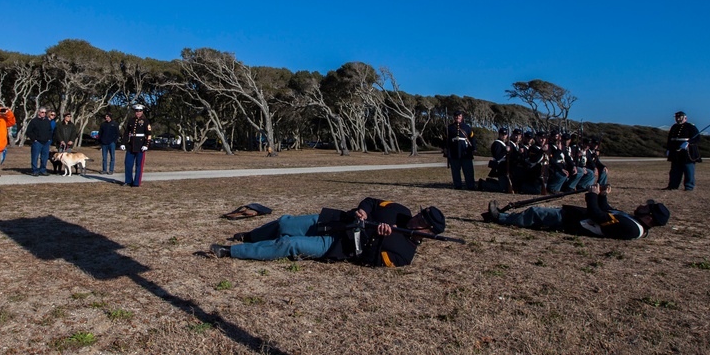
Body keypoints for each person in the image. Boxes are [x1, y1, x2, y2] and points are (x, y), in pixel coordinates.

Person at [210, 198, 446, 268]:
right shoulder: (400, 209)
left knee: (289, 245)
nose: (415, 218)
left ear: (428, 232)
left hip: (336, 246)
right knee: (285, 223)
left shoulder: (404, 255)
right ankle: (251, 236)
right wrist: (362, 211)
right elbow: (371, 202)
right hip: (335, 220)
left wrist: (380, 238)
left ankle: (232, 251)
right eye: (420, 213)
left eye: (421, 220)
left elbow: (368, 261)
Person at [482, 184, 670, 240]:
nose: (642, 205)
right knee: (537, 213)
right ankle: (503, 216)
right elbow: (607, 210)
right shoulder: (634, 221)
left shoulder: (631, 227)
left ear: (650, 217)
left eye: (647, 207)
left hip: (573, 222)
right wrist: (602, 195)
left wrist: (592, 196)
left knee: (535, 212)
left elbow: (598, 215)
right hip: (575, 217)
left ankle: (501, 218)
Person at [666, 111, 700, 191]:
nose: (677, 118)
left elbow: (697, 138)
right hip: (675, 150)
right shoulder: (674, 127)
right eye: (676, 117)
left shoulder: (690, 126)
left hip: (687, 151)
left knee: (688, 169)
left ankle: (689, 186)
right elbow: (670, 139)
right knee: (674, 170)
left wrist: (688, 143)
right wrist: (668, 149)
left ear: (685, 117)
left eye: (679, 117)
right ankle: (673, 186)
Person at [120, 104, 152, 186]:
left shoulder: (145, 121)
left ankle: (136, 182)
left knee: (139, 165)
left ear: (142, 112)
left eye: (140, 111)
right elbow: (126, 133)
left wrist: (146, 145)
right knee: (128, 163)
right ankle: (128, 181)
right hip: (131, 145)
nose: (138, 112)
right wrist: (123, 143)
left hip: (140, 145)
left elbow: (148, 134)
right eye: (137, 111)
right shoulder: (131, 120)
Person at [443, 110, 475, 190]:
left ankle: (471, 186)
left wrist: (474, 148)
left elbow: (472, 138)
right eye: (456, 116)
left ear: (462, 117)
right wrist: (445, 149)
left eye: (459, 116)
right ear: (454, 117)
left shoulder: (467, 127)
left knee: (468, 170)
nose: (457, 117)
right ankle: (457, 185)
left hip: (465, 152)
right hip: (454, 152)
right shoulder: (449, 128)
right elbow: (445, 139)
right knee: (455, 170)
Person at [479, 128, 510, 192]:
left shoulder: (504, 144)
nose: (504, 136)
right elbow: (497, 157)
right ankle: (484, 184)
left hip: (504, 166)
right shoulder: (497, 144)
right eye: (502, 134)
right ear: (499, 134)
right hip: (499, 166)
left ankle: (489, 182)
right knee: (502, 188)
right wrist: (505, 151)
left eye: (505, 134)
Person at [25, 106, 53, 176]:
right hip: (37, 142)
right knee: (35, 157)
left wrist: (49, 138)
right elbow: (29, 131)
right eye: (42, 112)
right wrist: (34, 139)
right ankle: (34, 170)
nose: (43, 114)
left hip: (46, 142)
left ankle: (43, 170)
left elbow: (50, 130)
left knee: (45, 157)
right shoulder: (34, 121)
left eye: (45, 113)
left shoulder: (47, 121)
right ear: (39, 113)